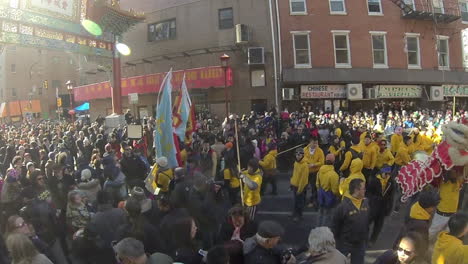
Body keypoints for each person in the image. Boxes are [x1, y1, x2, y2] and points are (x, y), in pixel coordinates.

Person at [332, 178, 369, 264]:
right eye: (363, 188)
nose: (365, 190)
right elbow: (335, 227)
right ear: (356, 190)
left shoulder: (366, 203)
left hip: (360, 244)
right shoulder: (342, 207)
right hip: (345, 245)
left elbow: (366, 222)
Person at [428, 169, 464, 242]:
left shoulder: (458, 181)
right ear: (448, 173)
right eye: (453, 172)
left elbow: (463, 175)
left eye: (456, 172)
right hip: (441, 215)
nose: (456, 173)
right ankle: (424, 245)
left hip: (452, 215)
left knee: (446, 235)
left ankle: (439, 248)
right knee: (432, 232)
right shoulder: (443, 182)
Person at [367, 165, 395, 247]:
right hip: (373, 206)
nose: (387, 176)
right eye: (385, 173)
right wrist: (373, 199)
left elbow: (391, 197)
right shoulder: (374, 180)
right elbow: (368, 193)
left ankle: (372, 240)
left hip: (383, 208)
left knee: (378, 226)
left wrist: (389, 209)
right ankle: (363, 237)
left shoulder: (391, 182)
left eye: (389, 174)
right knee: (367, 222)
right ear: (381, 172)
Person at [316, 153, 340, 226]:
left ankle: (318, 227)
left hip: (321, 194)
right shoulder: (334, 175)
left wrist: (319, 190)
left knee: (320, 213)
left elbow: (317, 183)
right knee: (327, 215)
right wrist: (338, 195)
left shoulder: (320, 170)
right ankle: (324, 231)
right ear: (333, 162)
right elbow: (335, 190)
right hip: (329, 197)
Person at [303, 137, 324, 209]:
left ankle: (313, 202)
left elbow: (322, 162)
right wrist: (306, 163)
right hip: (306, 172)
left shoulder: (320, 151)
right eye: (314, 143)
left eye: (317, 143)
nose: (316, 145)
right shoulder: (305, 150)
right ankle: (303, 200)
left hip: (315, 172)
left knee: (314, 188)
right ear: (310, 142)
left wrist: (313, 164)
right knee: (304, 186)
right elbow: (302, 158)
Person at [290, 148, 309, 222]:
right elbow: (294, 174)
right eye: (297, 154)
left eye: (299, 154)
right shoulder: (296, 163)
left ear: (302, 155)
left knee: (300, 202)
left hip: (300, 187)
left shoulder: (304, 165)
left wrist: (300, 189)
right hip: (295, 185)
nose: (298, 156)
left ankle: (299, 215)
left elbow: (303, 179)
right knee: (295, 201)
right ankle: (294, 213)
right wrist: (292, 182)